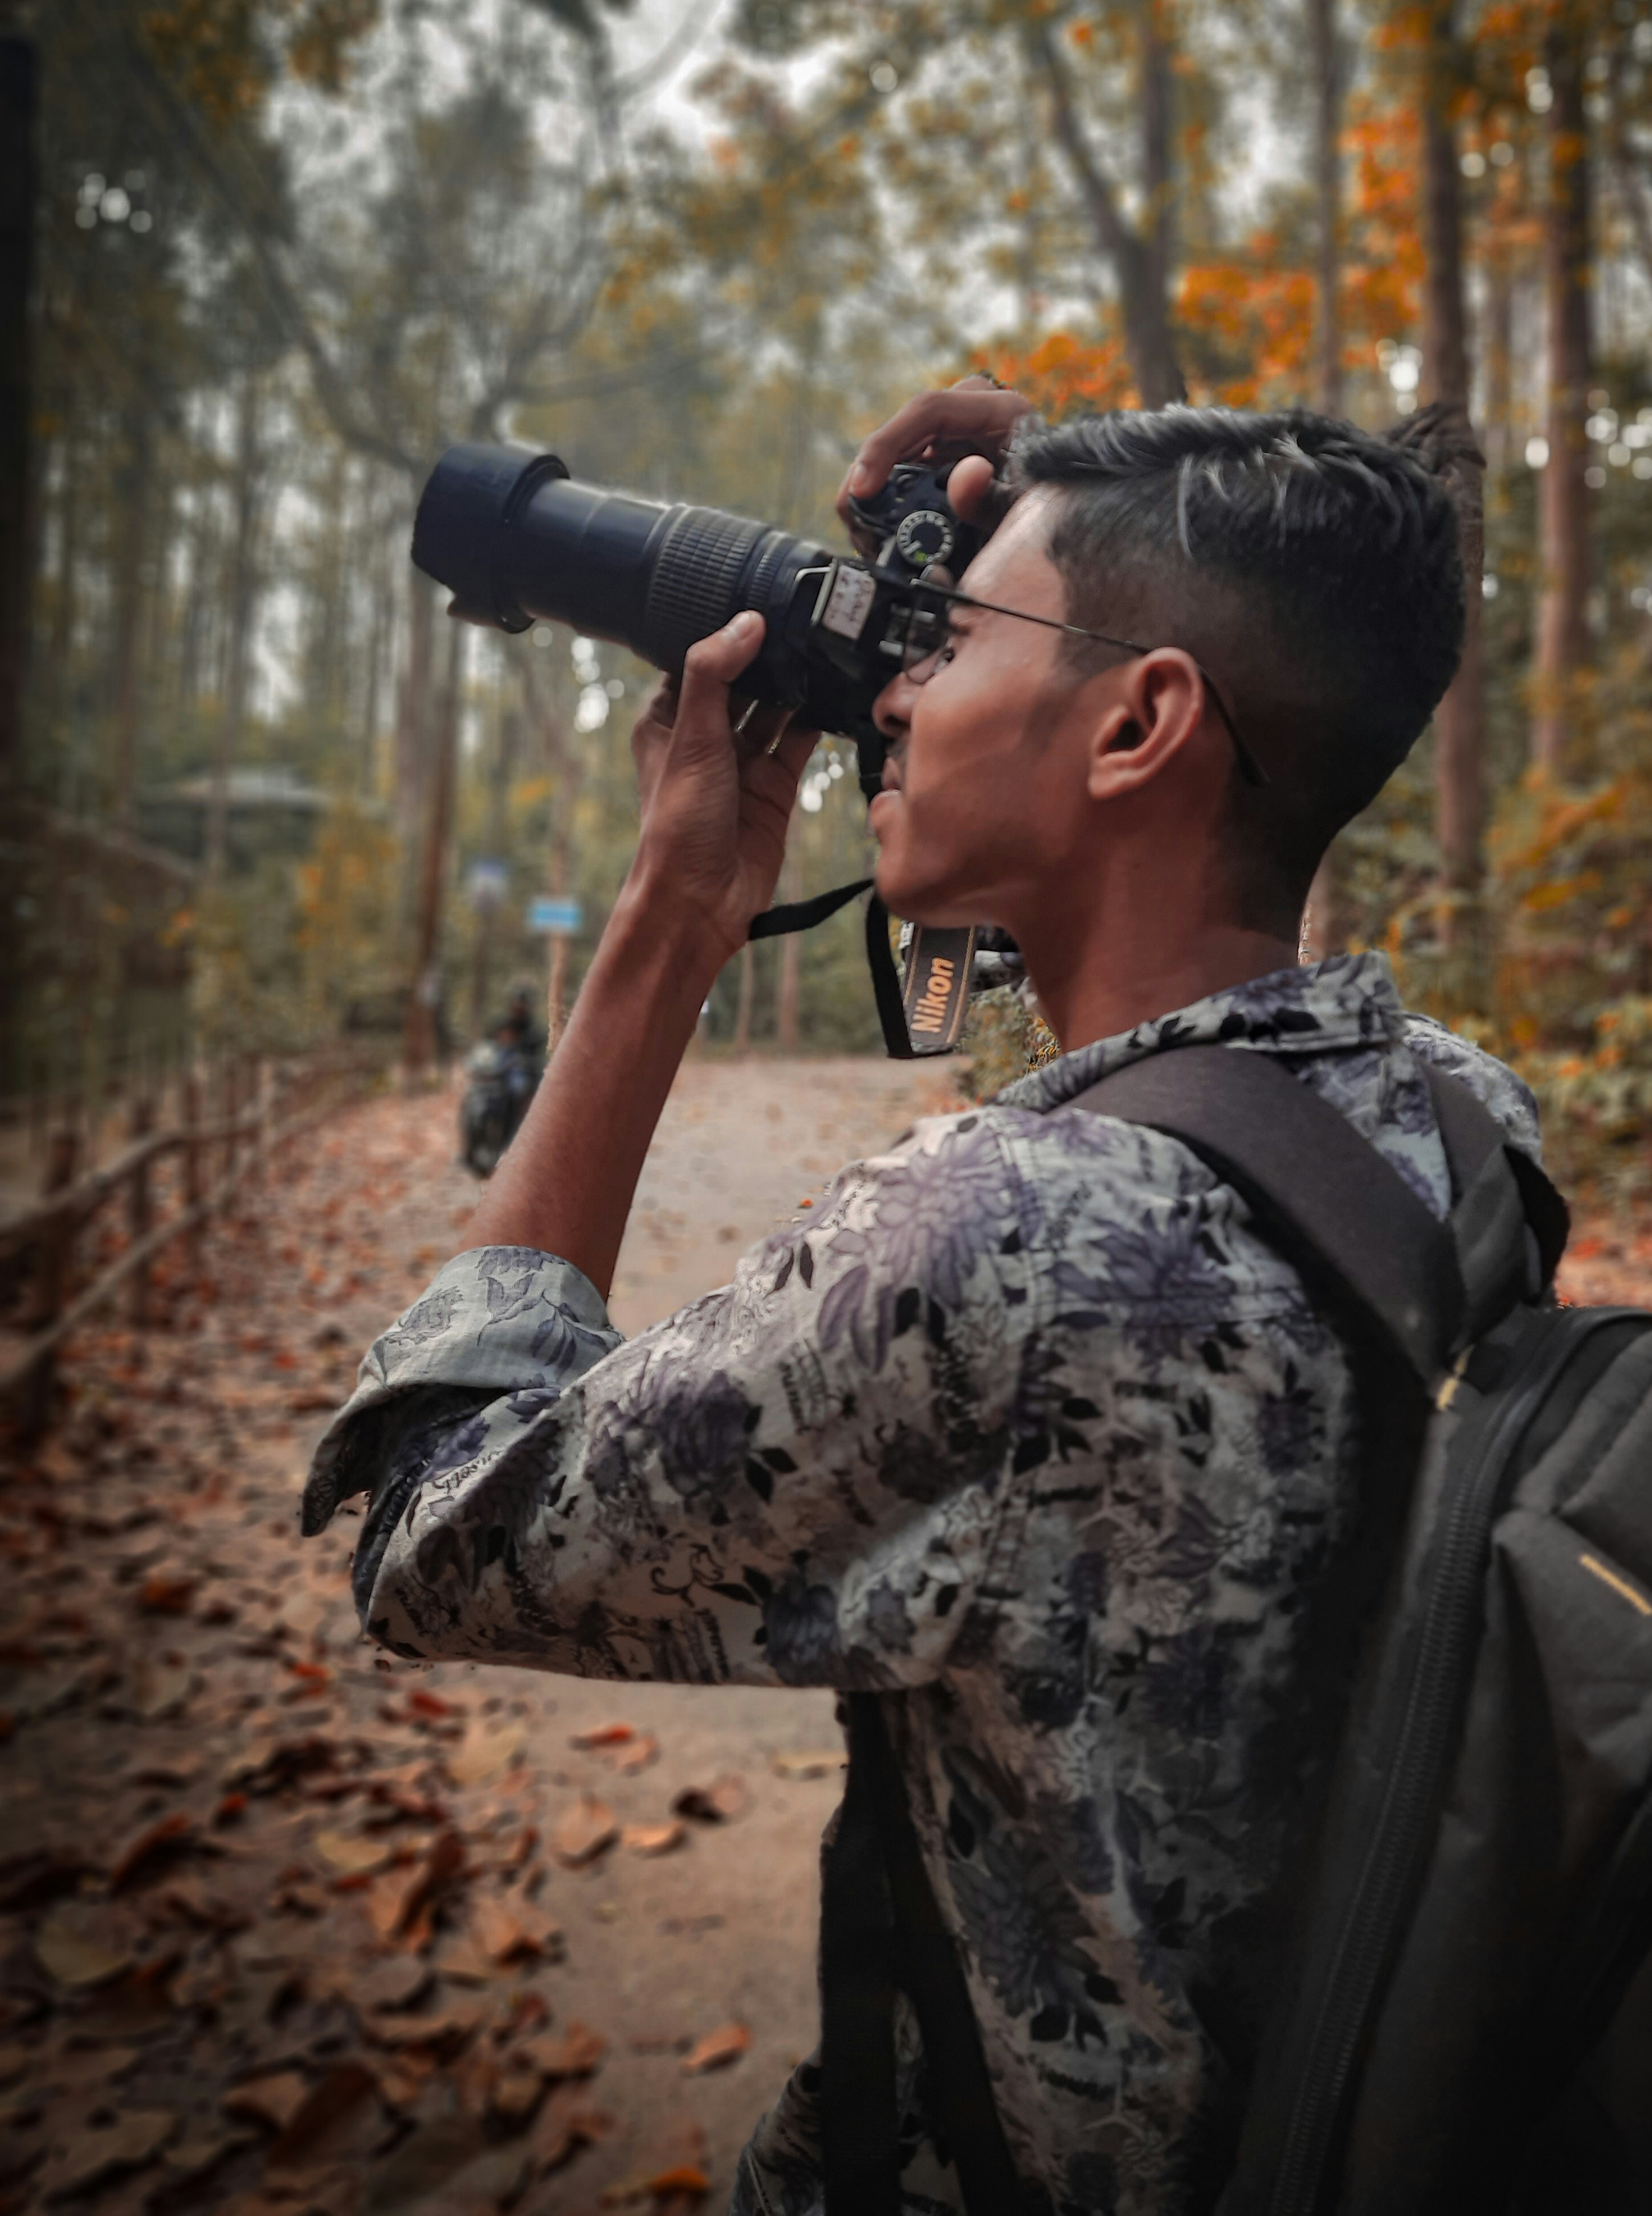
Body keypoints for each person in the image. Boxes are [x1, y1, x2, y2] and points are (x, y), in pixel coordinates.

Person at [304, 391, 1540, 2214]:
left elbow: (425, 1533)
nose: (888, 691)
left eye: (944, 643)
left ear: (1138, 721)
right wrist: (1096, 522)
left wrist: (667, 923)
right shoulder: (1457, 1110)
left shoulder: (1009, 1246)